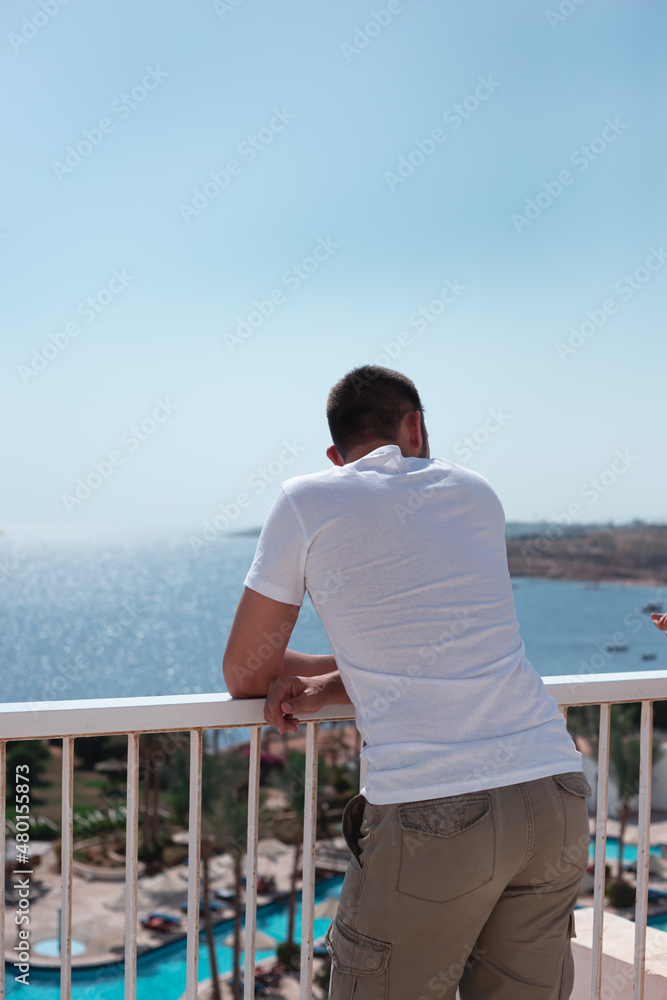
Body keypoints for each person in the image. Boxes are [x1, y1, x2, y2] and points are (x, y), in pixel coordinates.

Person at [222, 365, 591, 999]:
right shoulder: (477, 492)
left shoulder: (306, 499)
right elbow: (437, 651)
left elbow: (245, 672)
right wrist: (340, 681)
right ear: (415, 426)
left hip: (434, 810)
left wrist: (311, 676)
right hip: (551, 793)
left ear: (337, 456)